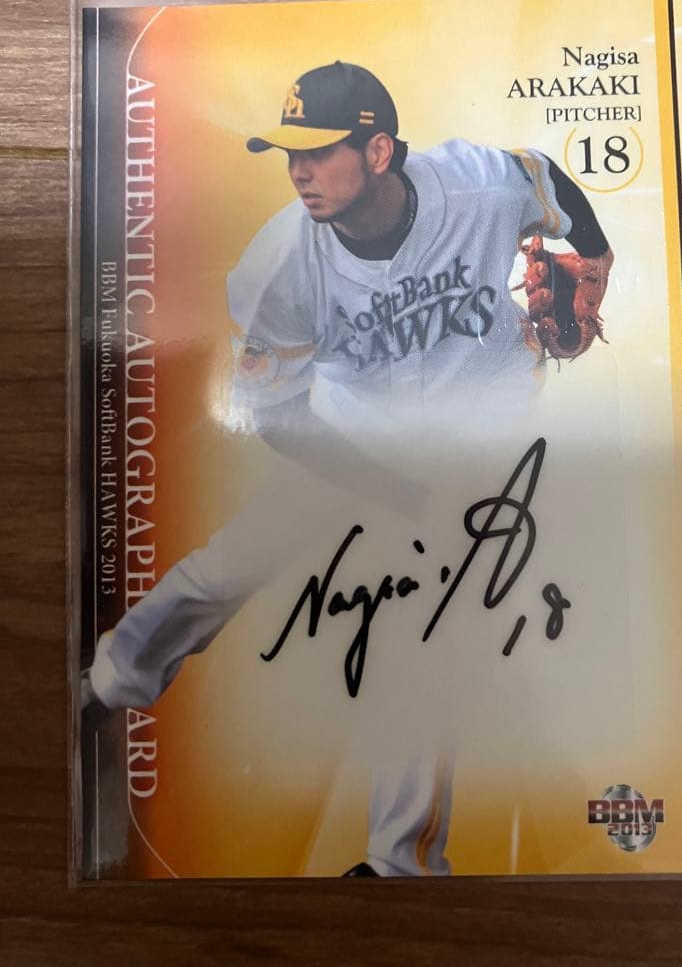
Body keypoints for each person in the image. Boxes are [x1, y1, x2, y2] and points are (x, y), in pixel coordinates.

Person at [82, 61, 612, 877]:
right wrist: (395, 492)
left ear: (378, 151)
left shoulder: (476, 185)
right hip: (348, 441)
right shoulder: (280, 266)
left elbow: (549, 179)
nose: (298, 170)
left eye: (318, 150)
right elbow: (280, 418)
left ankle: (399, 867)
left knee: (425, 632)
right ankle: (106, 683)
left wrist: (597, 260)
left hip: (482, 435)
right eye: (289, 152)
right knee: (230, 567)